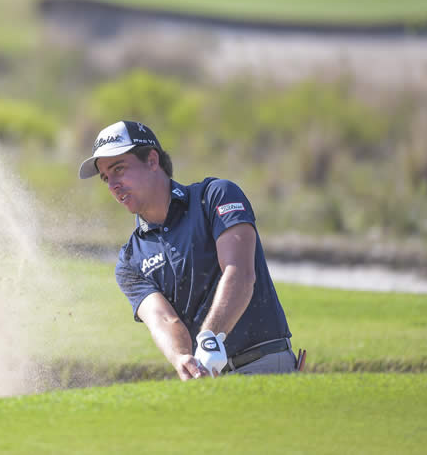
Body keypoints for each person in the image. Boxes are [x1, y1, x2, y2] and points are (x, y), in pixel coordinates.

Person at [78, 120, 298, 380]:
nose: (113, 184)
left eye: (119, 169)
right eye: (106, 177)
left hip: (264, 362)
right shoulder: (130, 260)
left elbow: (240, 276)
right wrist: (181, 357)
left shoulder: (216, 197)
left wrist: (210, 337)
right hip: (209, 378)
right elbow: (162, 319)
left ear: (151, 160)